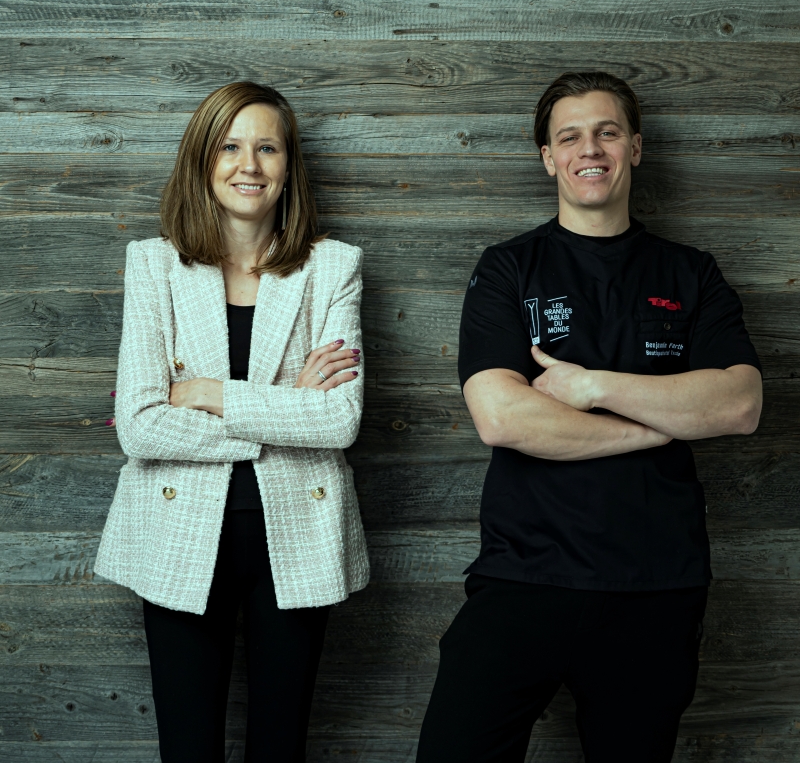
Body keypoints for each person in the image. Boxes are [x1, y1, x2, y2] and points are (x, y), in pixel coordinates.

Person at [415, 71, 762, 762]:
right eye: (570, 137)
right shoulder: (508, 269)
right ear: (549, 157)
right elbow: (503, 417)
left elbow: (739, 404)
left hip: (656, 585)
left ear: (636, 146)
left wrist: (590, 386)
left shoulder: (691, 273)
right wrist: (664, 419)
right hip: (523, 576)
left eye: (607, 132)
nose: (590, 149)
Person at [94, 81, 369, 763]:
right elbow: (140, 426)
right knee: (188, 750)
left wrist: (210, 392)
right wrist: (284, 410)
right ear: (203, 161)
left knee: (281, 748)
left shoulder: (332, 267)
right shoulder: (154, 265)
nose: (249, 165)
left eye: (267, 148)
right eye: (230, 147)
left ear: (289, 166)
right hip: (178, 531)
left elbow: (339, 420)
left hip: (298, 533)